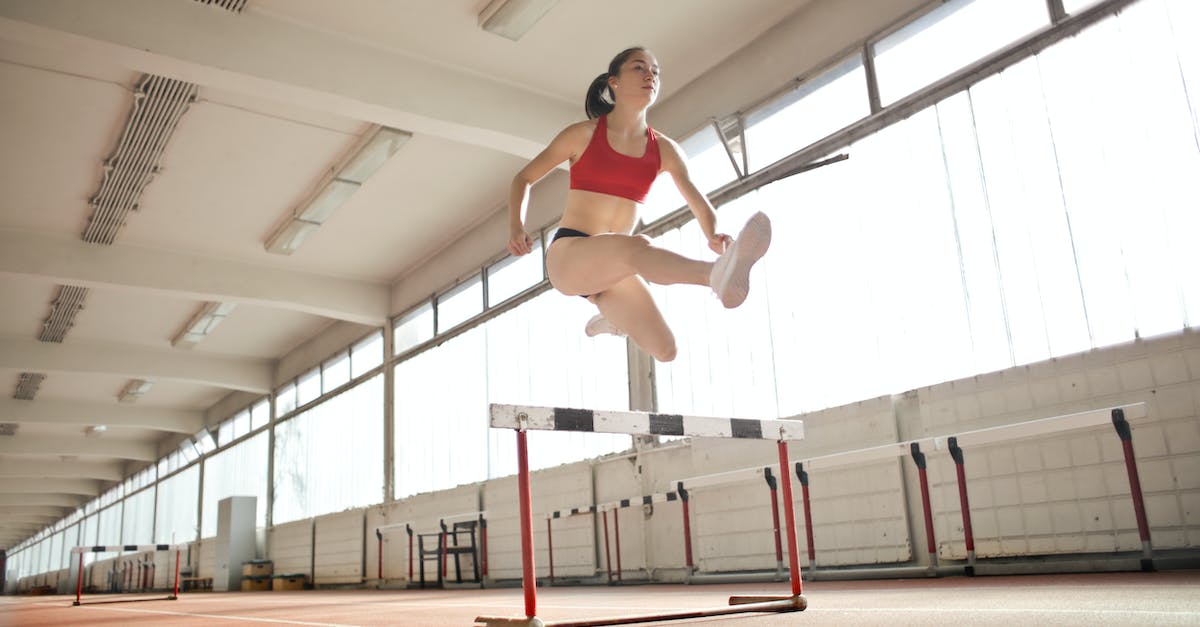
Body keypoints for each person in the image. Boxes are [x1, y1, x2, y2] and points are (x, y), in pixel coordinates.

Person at [507, 46, 771, 362]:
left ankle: (613, 319)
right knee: (637, 247)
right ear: (614, 82)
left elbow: (698, 202)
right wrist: (516, 227)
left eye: (655, 71)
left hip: (614, 267)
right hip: (570, 254)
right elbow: (523, 178)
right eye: (639, 68)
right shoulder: (582, 135)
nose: (650, 76)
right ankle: (715, 274)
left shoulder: (666, 150)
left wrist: (713, 233)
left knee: (666, 350)